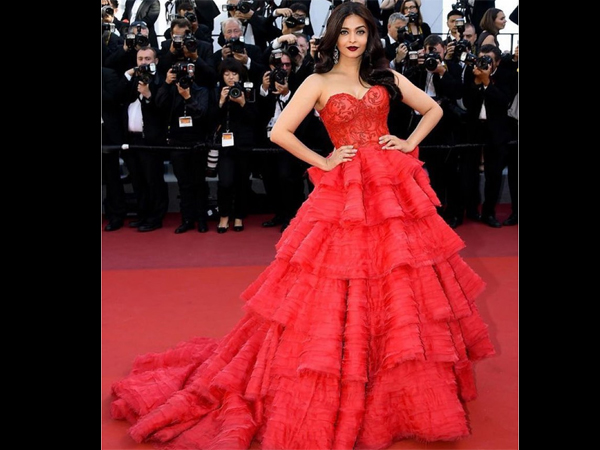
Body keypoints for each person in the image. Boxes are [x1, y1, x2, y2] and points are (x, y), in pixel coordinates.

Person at [110, 3, 495, 448]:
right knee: (335, 281)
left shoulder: (384, 78)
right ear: (333, 36)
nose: (354, 39)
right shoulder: (317, 81)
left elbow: (433, 109)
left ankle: (389, 375)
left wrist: (406, 142)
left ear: (371, 37)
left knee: (402, 281)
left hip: (392, 189)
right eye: (346, 32)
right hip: (345, 191)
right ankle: (344, 372)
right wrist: (325, 161)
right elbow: (280, 132)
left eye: (361, 32)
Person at [213, 58, 260, 233]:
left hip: (243, 143)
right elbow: (210, 118)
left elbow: (256, 118)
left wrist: (242, 103)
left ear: (240, 75)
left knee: (242, 182)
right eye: (227, 74)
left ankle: (239, 216)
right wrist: (220, 101)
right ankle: (224, 216)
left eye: (234, 74)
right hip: (225, 145)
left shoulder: (248, 90)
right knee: (225, 182)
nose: (231, 78)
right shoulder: (218, 91)